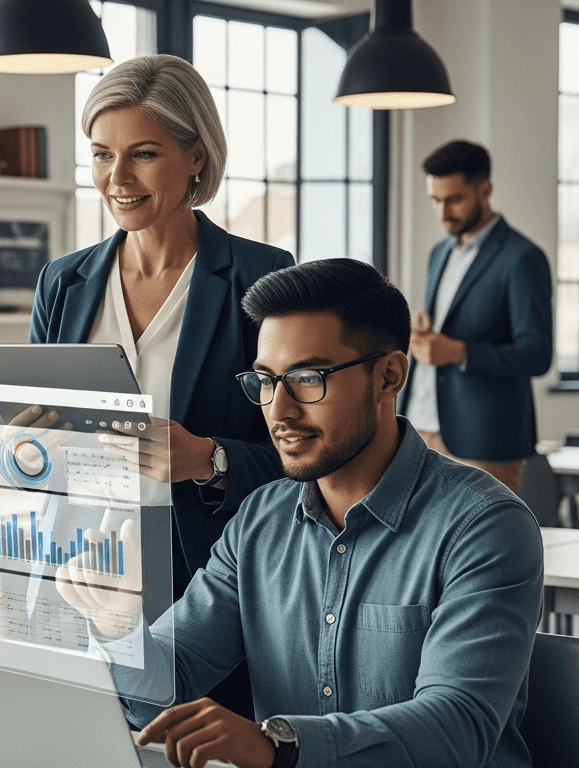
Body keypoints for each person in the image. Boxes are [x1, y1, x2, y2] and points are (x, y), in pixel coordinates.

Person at [58, 259, 542, 768]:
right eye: (266, 381)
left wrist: (280, 746)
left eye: (309, 378)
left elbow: (457, 730)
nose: (279, 410)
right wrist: (119, 629)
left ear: (389, 376)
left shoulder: (485, 527)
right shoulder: (258, 522)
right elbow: (166, 686)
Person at [30, 54, 290, 716]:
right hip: (75, 571)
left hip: (201, 581)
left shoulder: (259, 279)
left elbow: (305, 455)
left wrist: (210, 458)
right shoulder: (62, 283)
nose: (116, 178)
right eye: (100, 155)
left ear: (196, 157)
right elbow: (36, 440)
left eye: (142, 154)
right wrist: (22, 446)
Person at [401, 140, 553, 493]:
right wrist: (426, 332)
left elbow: (537, 353)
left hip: (486, 440)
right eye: (436, 200)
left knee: (488, 546)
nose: (443, 212)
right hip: (419, 428)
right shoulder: (439, 253)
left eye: (454, 199)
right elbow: (453, 326)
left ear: (485, 189)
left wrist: (459, 352)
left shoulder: (522, 258)